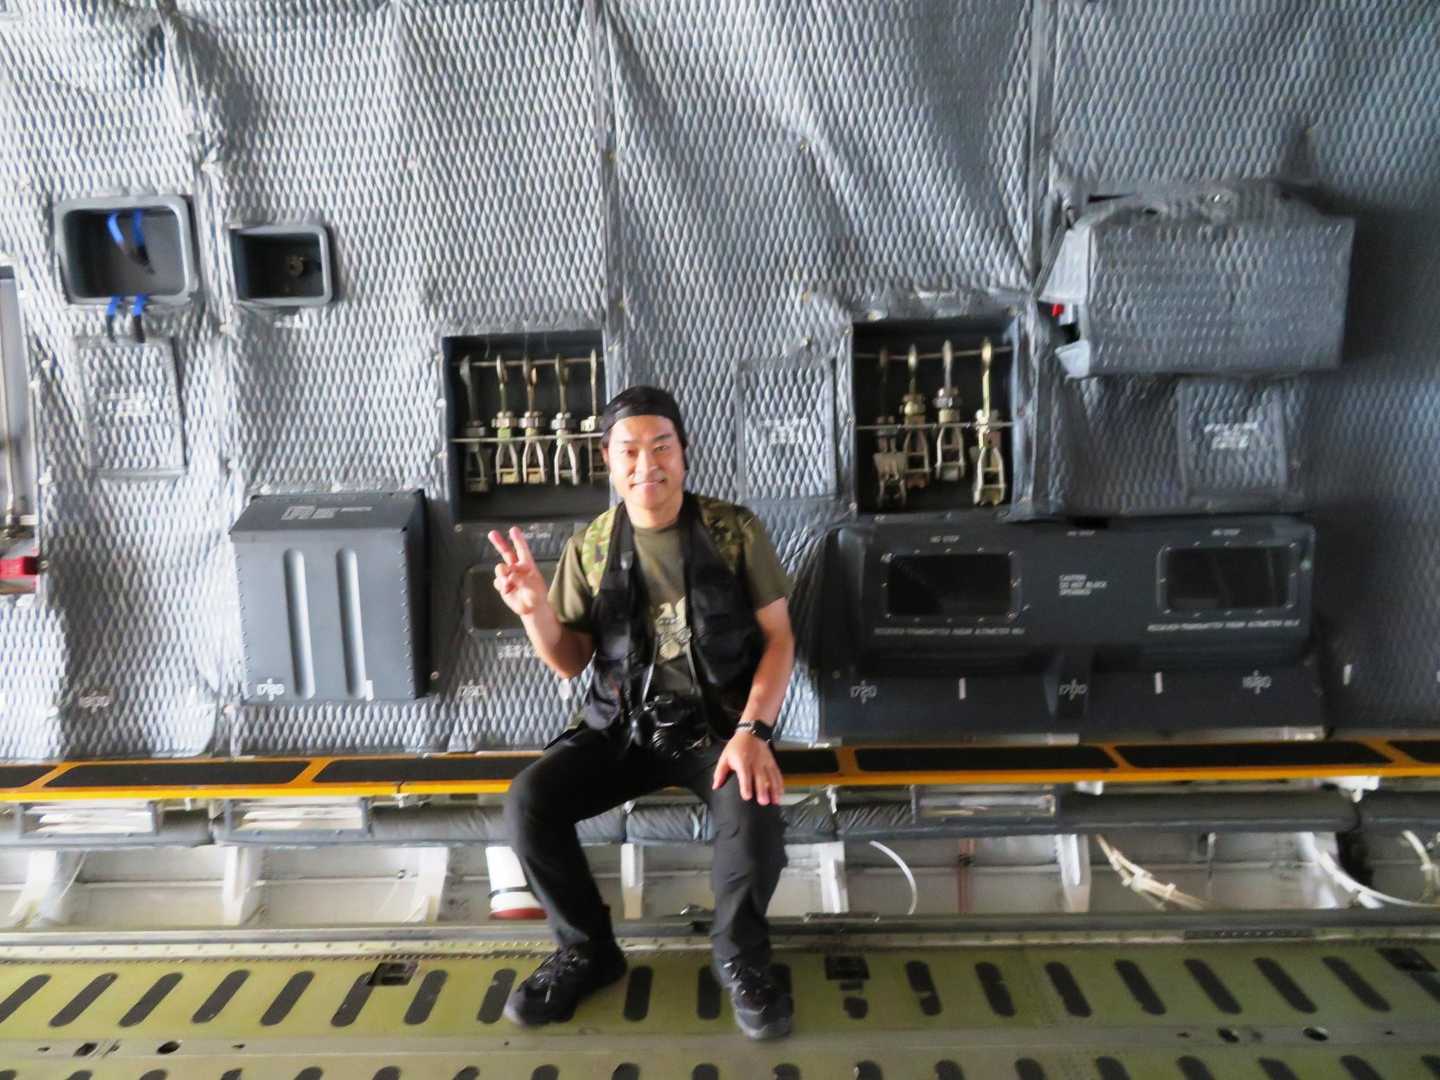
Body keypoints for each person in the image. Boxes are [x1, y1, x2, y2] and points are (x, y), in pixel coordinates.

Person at [488, 385, 796, 1040]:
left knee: (755, 810)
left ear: (684, 453)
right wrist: (536, 612)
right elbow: (570, 661)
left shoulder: (735, 532)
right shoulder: (591, 546)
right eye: (629, 451)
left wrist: (753, 731)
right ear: (608, 459)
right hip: (621, 728)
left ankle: (741, 959)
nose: (646, 465)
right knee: (528, 801)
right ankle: (588, 952)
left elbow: (779, 639)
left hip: (719, 729)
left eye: (662, 447)